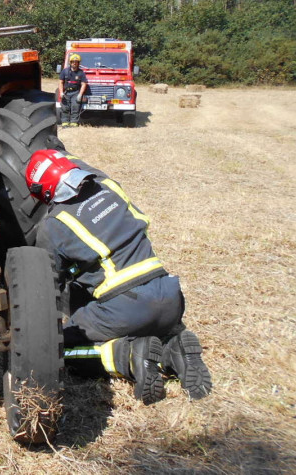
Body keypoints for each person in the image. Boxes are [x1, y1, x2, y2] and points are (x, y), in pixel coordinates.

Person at [25, 149, 212, 403]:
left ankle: (129, 357)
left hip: (127, 308)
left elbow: (47, 286)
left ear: (43, 192)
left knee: (58, 347)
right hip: (170, 296)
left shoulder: (53, 225)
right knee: (147, 320)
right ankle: (173, 351)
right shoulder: (108, 185)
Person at [59, 53, 88, 127]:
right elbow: (60, 82)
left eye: (76, 62)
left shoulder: (81, 73)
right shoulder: (64, 71)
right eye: (73, 62)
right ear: (70, 62)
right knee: (65, 108)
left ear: (78, 63)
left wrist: (80, 94)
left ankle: (73, 123)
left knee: (75, 108)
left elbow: (84, 84)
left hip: (75, 93)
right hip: (66, 92)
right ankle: (65, 123)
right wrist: (61, 93)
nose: (74, 63)